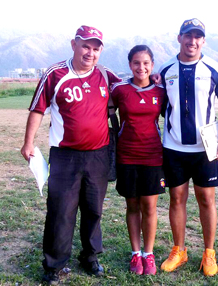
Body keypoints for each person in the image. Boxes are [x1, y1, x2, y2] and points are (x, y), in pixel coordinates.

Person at [21, 25, 121, 285]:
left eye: (96, 48)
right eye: (85, 46)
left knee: (93, 210)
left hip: (99, 154)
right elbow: (37, 110)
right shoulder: (55, 74)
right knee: (61, 211)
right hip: (65, 156)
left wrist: (152, 81)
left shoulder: (106, 75)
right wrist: (28, 143)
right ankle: (54, 265)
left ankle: (90, 256)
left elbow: (129, 91)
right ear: (73, 44)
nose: (90, 52)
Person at [158, 18, 218, 277]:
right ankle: (179, 250)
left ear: (203, 40)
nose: (192, 41)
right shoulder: (166, 69)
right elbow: (158, 105)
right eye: (187, 36)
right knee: (176, 198)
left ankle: (209, 252)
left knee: (206, 199)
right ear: (179, 38)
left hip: (205, 149)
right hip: (174, 148)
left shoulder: (215, 68)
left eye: (197, 36)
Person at [110, 45, 166, 276]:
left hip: (153, 156)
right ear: (130, 64)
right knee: (132, 206)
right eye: (136, 63)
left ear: (152, 65)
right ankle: (135, 254)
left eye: (145, 63)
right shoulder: (120, 89)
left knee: (150, 207)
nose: (141, 67)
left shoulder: (161, 91)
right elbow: (105, 106)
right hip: (127, 156)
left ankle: (148, 253)